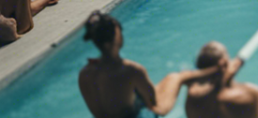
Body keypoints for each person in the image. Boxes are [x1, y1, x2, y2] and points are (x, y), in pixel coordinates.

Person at [78, 11, 217, 118]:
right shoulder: (130, 70)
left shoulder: (85, 73)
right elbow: (153, 103)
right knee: (178, 77)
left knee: (170, 78)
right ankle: (217, 70)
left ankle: (208, 74)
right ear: (117, 36)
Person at [185, 42, 258, 118]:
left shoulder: (193, 98)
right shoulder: (248, 93)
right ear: (224, 63)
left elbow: (215, 94)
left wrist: (226, 78)